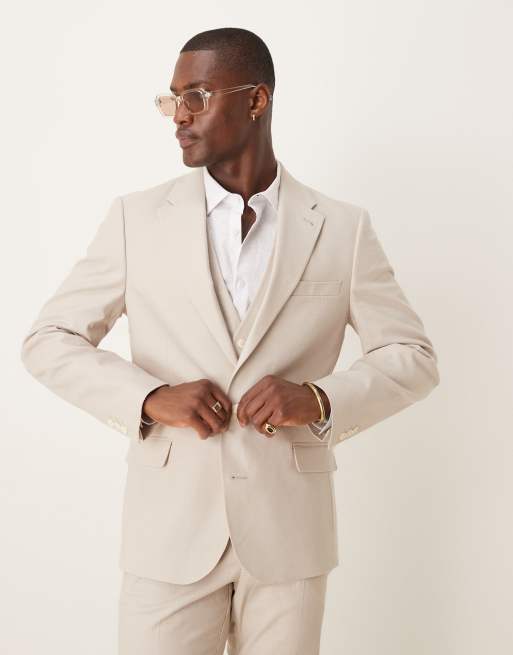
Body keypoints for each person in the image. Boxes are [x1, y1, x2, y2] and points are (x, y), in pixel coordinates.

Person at [20, 26, 440, 655]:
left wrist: (319, 399)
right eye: (172, 100)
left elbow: (413, 357)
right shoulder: (136, 219)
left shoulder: (341, 229)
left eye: (196, 97)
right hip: (169, 536)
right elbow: (49, 339)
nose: (178, 117)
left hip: (289, 537)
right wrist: (149, 397)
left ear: (256, 100)